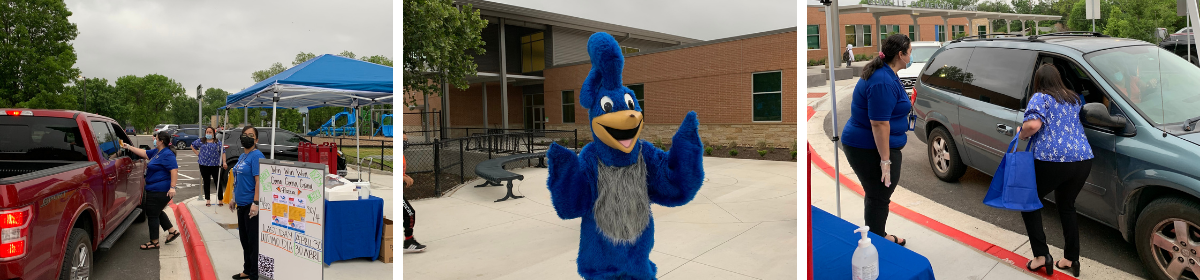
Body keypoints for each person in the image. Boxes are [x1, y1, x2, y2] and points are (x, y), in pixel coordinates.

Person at [1016, 64, 1093, 277]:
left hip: (1053, 160)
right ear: (1058, 78)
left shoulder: (1040, 97)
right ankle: (1071, 259)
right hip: (1083, 159)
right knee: (1067, 206)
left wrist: (1021, 133)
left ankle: (1041, 256)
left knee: (1029, 202)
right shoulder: (1074, 98)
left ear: (1039, 82)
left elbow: (1033, 126)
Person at [840, 34, 913, 247]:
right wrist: (885, 161)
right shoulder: (881, 80)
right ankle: (877, 242)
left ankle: (877, 236)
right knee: (878, 195)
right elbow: (879, 124)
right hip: (868, 148)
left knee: (877, 195)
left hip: (874, 146)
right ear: (900, 54)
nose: (911, 54)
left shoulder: (887, 73)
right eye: (910, 51)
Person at [121, 131, 181, 250]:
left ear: (161, 141)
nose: (154, 140)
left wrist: (172, 187)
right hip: (154, 189)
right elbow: (143, 153)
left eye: (156, 138)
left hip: (160, 190)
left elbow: (174, 170)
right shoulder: (157, 152)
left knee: (152, 214)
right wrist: (128, 146)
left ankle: (154, 242)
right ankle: (172, 231)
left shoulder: (167, 154)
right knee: (157, 211)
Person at [229, 125, 265, 280]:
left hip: (251, 206)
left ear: (256, 139)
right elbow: (238, 178)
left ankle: (254, 275)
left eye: (251, 135)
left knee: (252, 242)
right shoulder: (243, 155)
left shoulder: (256, 156)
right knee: (244, 240)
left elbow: (259, 181)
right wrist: (233, 198)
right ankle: (247, 269)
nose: (247, 137)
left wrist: (256, 202)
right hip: (241, 204)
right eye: (245, 134)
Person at [401, 133, 426, 253]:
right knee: (409, 213)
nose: (405, 142)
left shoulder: (402, 155)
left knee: (408, 214)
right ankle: (408, 241)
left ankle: (408, 240)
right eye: (402, 140)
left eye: (406, 140)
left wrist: (405, 176)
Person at [192, 127, 226, 206]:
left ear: (213, 133)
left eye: (210, 132)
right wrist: (198, 154)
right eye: (207, 132)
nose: (208, 134)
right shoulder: (201, 141)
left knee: (217, 182)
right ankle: (208, 199)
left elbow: (223, 152)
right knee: (206, 182)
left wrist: (224, 162)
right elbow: (192, 145)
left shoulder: (217, 142)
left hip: (215, 165)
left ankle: (220, 199)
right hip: (204, 164)